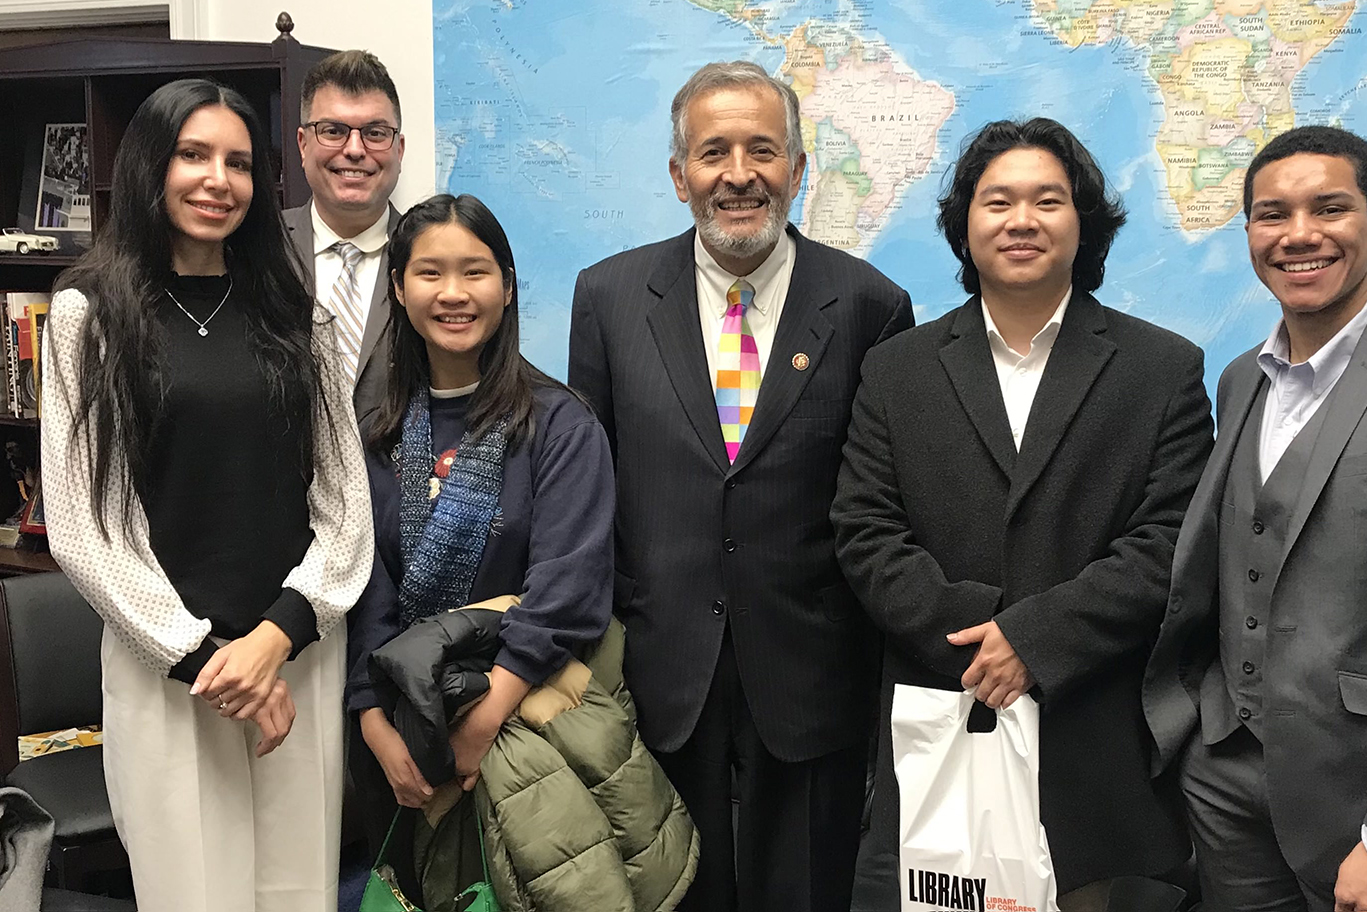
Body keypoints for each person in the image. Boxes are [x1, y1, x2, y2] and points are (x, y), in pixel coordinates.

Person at [831, 118, 1214, 912]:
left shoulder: (1162, 368)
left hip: (1096, 744)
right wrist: (987, 637)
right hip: (946, 722)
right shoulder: (895, 369)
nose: (1021, 220)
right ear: (964, 226)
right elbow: (865, 531)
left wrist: (1037, 641)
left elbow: (1173, 537)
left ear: (1084, 224)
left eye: (1049, 200)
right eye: (996, 201)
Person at [568, 60, 914, 912]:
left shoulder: (872, 305)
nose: (739, 174)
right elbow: (589, 495)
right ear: (679, 174)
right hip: (659, 673)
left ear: (797, 170)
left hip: (811, 675)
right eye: (713, 151)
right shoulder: (608, 298)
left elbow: (883, 501)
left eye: (763, 150)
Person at [1142, 125, 1367, 912]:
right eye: (1273, 215)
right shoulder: (1241, 381)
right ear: (1248, 236)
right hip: (1228, 789)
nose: (1299, 234)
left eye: (1328, 208)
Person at [39, 78, 372, 912]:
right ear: (152, 163)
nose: (217, 180)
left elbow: (346, 511)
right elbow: (84, 529)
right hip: (170, 675)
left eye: (238, 162)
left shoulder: (301, 317)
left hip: (296, 661)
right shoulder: (90, 314)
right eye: (194, 155)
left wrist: (274, 643)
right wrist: (211, 663)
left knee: (299, 895)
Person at [346, 193, 616, 894]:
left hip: (524, 729)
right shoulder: (373, 428)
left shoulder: (559, 424)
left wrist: (484, 716)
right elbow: (360, 585)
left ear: (508, 285)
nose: (454, 294)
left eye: (476, 272)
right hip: (396, 736)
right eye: (430, 273)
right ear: (400, 289)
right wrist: (376, 727)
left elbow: (569, 585)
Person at [285, 49, 405, 425]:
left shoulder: (430, 255)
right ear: (304, 144)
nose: (355, 150)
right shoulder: (255, 249)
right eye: (333, 131)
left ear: (399, 150)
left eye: (375, 133)